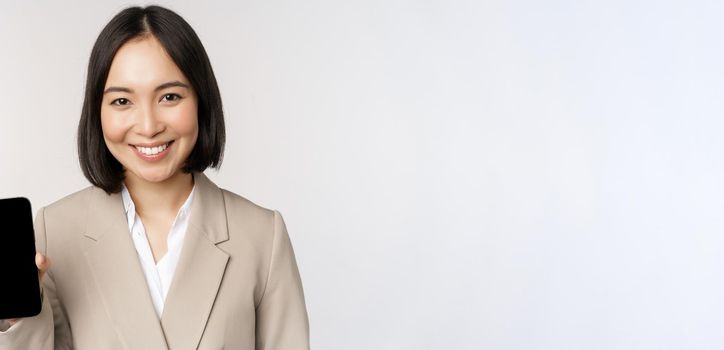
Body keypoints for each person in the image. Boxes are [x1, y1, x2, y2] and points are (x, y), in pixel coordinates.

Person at [0, 5, 309, 349]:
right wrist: (14, 319)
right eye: (121, 101)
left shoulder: (262, 237)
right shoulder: (55, 231)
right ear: (97, 112)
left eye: (170, 97)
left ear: (201, 101)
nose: (148, 126)